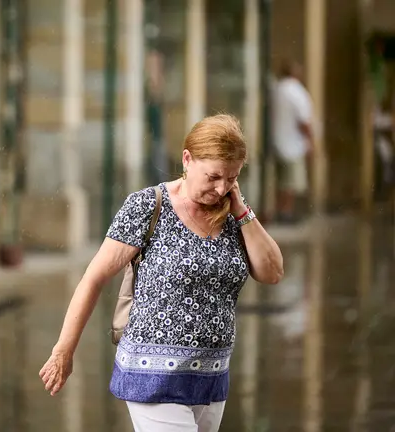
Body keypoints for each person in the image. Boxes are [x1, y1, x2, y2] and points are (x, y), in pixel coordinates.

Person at [39, 114, 284, 431]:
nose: (222, 187)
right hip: (152, 373)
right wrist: (63, 351)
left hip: (211, 376)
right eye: (213, 176)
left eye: (232, 179)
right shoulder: (147, 205)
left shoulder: (233, 212)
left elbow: (272, 272)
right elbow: (94, 277)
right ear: (187, 159)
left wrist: (242, 211)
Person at [271, 60, 314, 223]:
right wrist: (311, 141)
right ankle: (286, 212)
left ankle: (281, 211)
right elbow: (304, 121)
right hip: (293, 144)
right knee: (290, 181)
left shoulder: (277, 89)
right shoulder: (297, 91)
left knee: (281, 180)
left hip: (277, 142)